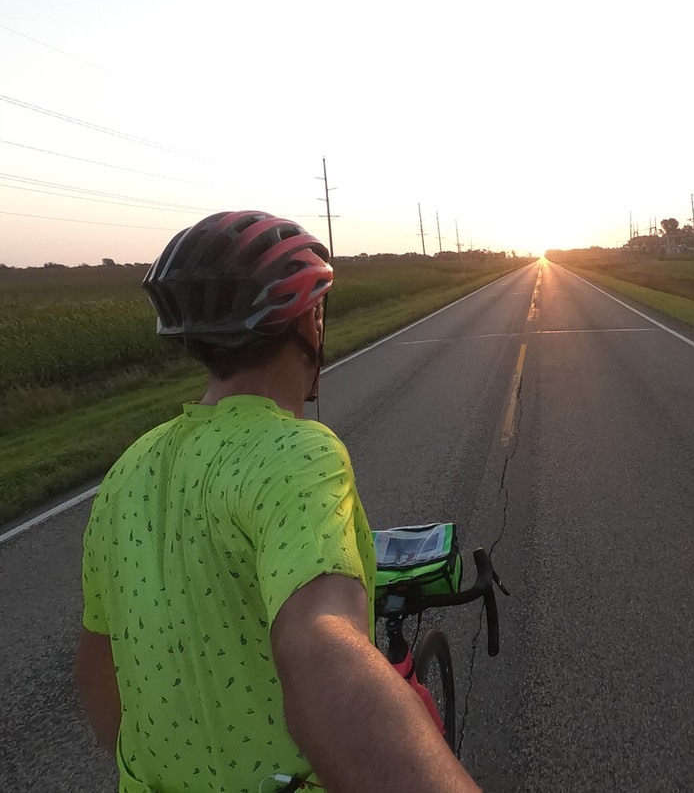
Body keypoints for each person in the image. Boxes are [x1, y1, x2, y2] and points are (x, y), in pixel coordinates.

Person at [74, 210, 479, 792]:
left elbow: (95, 674)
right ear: (310, 321)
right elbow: (320, 643)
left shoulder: (125, 470)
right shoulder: (298, 453)